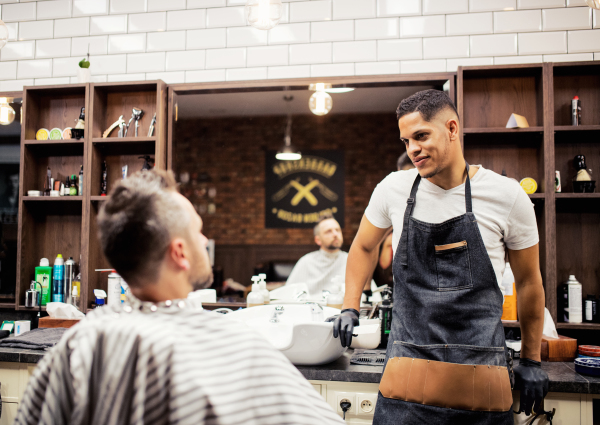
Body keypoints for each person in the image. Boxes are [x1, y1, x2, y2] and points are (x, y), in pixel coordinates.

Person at [15, 170, 343, 425]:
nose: (204, 239)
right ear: (180, 252)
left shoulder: (77, 345)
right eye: (198, 230)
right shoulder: (232, 345)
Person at [331, 89, 548, 424]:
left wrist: (531, 360)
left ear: (452, 129)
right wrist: (349, 304)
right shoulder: (393, 189)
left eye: (420, 136)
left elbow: (530, 281)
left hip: (480, 379)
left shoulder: (507, 196)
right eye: (405, 141)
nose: (412, 149)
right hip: (407, 376)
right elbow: (362, 246)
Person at [285, 214, 347, 296]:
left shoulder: (350, 260)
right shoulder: (306, 262)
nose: (335, 234)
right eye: (328, 231)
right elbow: (288, 293)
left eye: (337, 230)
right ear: (318, 240)